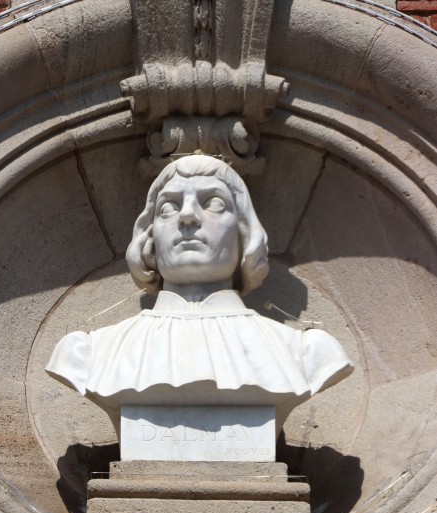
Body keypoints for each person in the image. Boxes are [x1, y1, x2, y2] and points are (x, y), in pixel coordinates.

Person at [47, 155, 353, 436]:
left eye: (214, 203)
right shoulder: (89, 354)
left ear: (245, 233)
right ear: (149, 235)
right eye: (168, 207)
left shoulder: (306, 353)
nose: (188, 217)